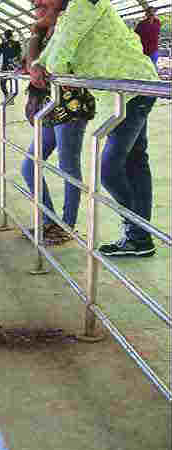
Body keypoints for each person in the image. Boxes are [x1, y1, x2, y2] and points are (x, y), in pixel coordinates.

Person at [31, 0, 161, 257]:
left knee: (110, 169)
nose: (37, 2)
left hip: (131, 91)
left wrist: (43, 61)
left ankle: (138, 231)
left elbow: (58, 60)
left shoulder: (84, 3)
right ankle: (140, 238)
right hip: (125, 93)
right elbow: (52, 52)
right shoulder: (69, 13)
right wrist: (38, 62)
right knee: (135, 164)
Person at [21, 7, 95, 246]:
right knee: (29, 166)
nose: (37, 5)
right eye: (34, 3)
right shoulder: (44, 32)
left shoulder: (66, 23)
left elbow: (49, 66)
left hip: (71, 106)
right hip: (50, 106)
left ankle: (66, 226)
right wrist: (35, 33)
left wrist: (36, 36)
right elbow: (29, 65)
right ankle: (49, 221)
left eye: (42, 2)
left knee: (67, 166)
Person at [0, 29, 22, 101]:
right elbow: (19, 55)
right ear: (12, 36)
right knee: (14, 82)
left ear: (5, 36)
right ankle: (12, 97)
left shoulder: (1, 45)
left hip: (5, 65)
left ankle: (7, 96)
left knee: (2, 83)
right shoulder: (17, 43)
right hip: (14, 66)